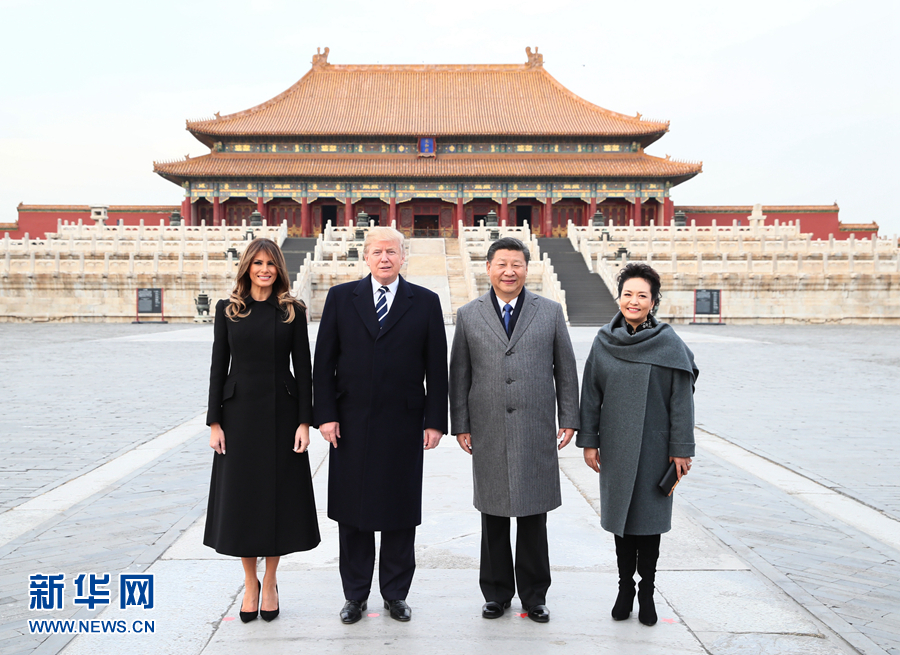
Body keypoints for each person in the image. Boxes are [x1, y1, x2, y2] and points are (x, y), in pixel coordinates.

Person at [313, 226, 448, 624]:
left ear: (403, 256)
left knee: (400, 511)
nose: (384, 258)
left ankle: (395, 593)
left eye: (392, 251)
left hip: (404, 422)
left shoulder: (423, 302)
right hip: (350, 422)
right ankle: (354, 595)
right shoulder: (341, 298)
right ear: (365, 257)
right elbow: (323, 363)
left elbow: (436, 369)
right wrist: (326, 414)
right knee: (352, 512)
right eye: (377, 252)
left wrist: (435, 421)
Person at [449, 237, 579, 623]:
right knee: (492, 513)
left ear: (528, 268)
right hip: (487, 425)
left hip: (535, 425)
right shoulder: (469, 314)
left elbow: (566, 370)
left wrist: (568, 417)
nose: (509, 271)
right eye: (502, 264)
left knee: (533, 513)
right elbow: (460, 374)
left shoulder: (550, 312)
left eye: (517, 264)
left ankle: (535, 595)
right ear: (487, 268)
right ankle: (496, 592)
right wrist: (461, 425)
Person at [205, 237, 320, 624]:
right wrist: (214, 422)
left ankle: (270, 581)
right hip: (237, 417)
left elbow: (304, 370)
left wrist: (306, 421)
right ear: (247, 268)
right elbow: (217, 367)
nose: (264, 270)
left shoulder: (292, 311)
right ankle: (249, 582)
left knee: (277, 501)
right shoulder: (228, 310)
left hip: (282, 416)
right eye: (257, 263)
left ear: (279, 270)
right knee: (242, 501)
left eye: (271, 264)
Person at [577, 262, 698, 626]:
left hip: (656, 448)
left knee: (649, 524)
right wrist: (589, 441)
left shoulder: (668, 344)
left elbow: (682, 400)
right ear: (618, 298)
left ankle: (646, 591)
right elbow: (590, 395)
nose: (633, 301)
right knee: (622, 523)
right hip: (615, 445)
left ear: (653, 301)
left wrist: (682, 448)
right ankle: (624, 588)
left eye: (641, 295)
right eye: (627, 294)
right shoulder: (603, 342)